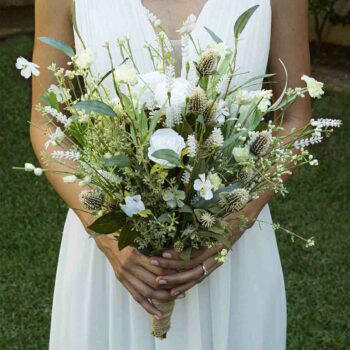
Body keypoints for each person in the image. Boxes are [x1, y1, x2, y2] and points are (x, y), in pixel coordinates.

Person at [31, 0, 311, 349]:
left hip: (229, 258)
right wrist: (106, 234)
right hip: (115, 254)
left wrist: (234, 221)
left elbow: (295, 118)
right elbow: (45, 123)